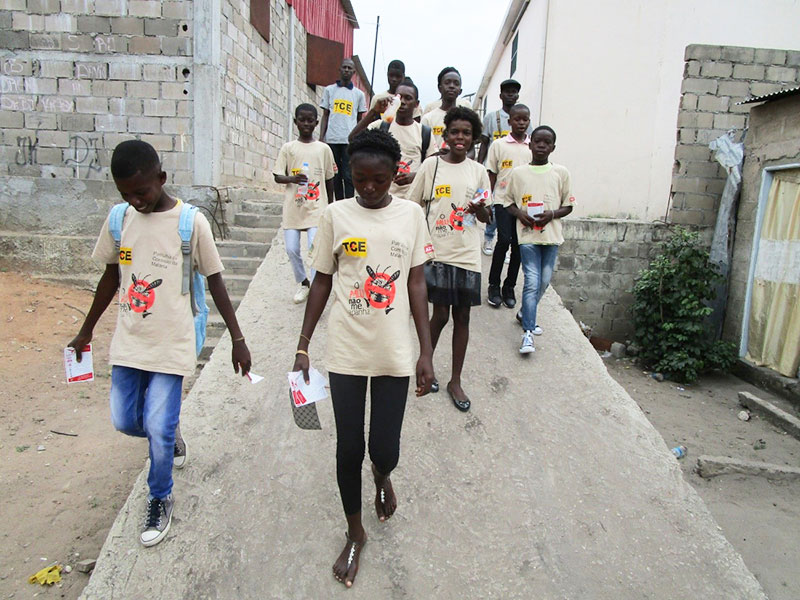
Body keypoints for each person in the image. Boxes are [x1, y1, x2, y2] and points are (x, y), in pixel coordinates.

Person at [68, 140, 251, 547]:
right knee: (125, 420)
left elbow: (216, 280)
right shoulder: (119, 220)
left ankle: (160, 495)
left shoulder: (191, 223)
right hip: (130, 340)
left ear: (161, 179)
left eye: (142, 192)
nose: (135, 201)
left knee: (156, 425)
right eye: (126, 194)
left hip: (173, 342)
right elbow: (110, 278)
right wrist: (86, 330)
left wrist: (238, 339)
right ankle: (169, 434)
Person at [292, 129, 435, 588]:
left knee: (384, 450)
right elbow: (321, 282)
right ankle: (355, 532)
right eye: (360, 179)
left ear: (396, 173)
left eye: (379, 179)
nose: (369, 188)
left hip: (393, 351)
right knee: (348, 447)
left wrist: (426, 351)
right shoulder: (335, 214)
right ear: (350, 175)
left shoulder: (412, 215)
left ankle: (383, 476)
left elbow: (415, 284)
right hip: (347, 351)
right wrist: (303, 344)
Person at [407, 106, 492, 412]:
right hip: (437, 253)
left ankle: (455, 380)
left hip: (467, 254)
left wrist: (480, 209)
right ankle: (424, 364)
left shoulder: (478, 171)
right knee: (440, 315)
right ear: (445, 134)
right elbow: (412, 206)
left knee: (463, 318)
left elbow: (487, 215)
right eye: (454, 131)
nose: (460, 137)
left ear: (474, 139)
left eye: (466, 133)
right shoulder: (431, 167)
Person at [506, 125, 575, 354]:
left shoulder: (561, 173)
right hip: (527, 236)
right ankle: (527, 333)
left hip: (551, 237)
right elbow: (507, 202)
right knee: (532, 281)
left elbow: (568, 205)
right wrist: (521, 214)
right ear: (530, 144)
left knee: (544, 281)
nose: (542, 146)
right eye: (538, 141)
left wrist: (552, 214)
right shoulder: (518, 173)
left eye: (547, 142)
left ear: (553, 147)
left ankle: (526, 312)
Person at [273, 103, 336, 303]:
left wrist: (330, 206)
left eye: (310, 120)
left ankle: (316, 288)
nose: (306, 124)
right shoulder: (288, 148)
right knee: (292, 248)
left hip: (317, 207)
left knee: (314, 246)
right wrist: (292, 179)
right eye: (302, 120)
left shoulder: (324, 149)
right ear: (295, 122)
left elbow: (329, 179)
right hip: (294, 207)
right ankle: (303, 282)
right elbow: (277, 176)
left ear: (317, 123)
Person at [349, 78, 433, 198]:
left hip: (409, 200)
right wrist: (373, 111)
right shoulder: (381, 125)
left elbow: (432, 168)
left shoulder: (424, 133)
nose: (402, 102)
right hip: (379, 199)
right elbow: (352, 139)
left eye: (408, 98)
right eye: (399, 97)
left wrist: (415, 176)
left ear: (416, 104)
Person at [477, 79, 533, 256]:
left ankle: (507, 245)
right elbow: (484, 143)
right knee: (495, 205)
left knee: (511, 213)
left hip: (518, 170)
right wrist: (479, 166)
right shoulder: (491, 117)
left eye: (514, 92)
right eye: (507, 92)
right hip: (498, 164)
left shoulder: (524, 118)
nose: (511, 95)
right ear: (501, 96)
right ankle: (488, 236)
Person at [485, 104, 532, 310]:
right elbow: (492, 174)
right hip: (503, 201)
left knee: (519, 245)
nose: (521, 123)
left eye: (525, 119)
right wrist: (488, 200)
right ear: (510, 121)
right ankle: (493, 285)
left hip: (525, 205)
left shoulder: (533, 146)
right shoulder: (499, 145)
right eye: (517, 119)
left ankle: (509, 287)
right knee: (503, 240)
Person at [320, 58, 367, 199]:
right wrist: (322, 138)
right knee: (335, 174)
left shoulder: (359, 95)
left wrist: (359, 140)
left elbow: (360, 120)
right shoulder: (329, 90)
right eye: (344, 67)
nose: (346, 70)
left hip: (349, 140)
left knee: (348, 174)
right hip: (332, 139)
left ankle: (350, 201)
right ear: (339, 69)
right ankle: (338, 202)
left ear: (353, 72)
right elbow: (325, 115)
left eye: (349, 68)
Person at [421, 67, 465, 153]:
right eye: (447, 83)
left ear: (460, 91)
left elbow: (471, 151)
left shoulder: (466, 118)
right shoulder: (428, 119)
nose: (452, 86)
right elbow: (421, 149)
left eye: (456, 83)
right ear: (440, 88)